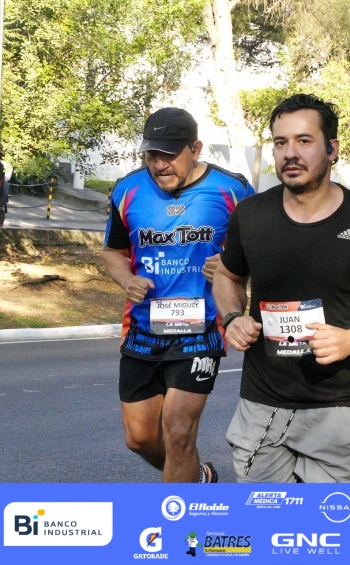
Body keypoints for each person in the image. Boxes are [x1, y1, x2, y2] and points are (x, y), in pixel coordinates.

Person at [212, 93, 350, 483]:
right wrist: (233, 317)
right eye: (281, 142)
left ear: (331, 149)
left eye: (304, 141)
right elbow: (227, 276)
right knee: (263, 516)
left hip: (338, 407)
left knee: (320, 521)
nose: (291, 153)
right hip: (262, 403)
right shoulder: (251, 215)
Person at [102, 107, 255, 482]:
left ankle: (176, 516)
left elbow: (260, 249)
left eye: (169, 155)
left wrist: (230, 266)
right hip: (143, 329)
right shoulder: (127, 190)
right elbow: (113, 252)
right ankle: (198, 479)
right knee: (139, 439)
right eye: (152, 155)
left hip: (202, 329)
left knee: (177, 431)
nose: (159, 165)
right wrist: (127, 280)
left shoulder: (232, 190)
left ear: (196, 149)